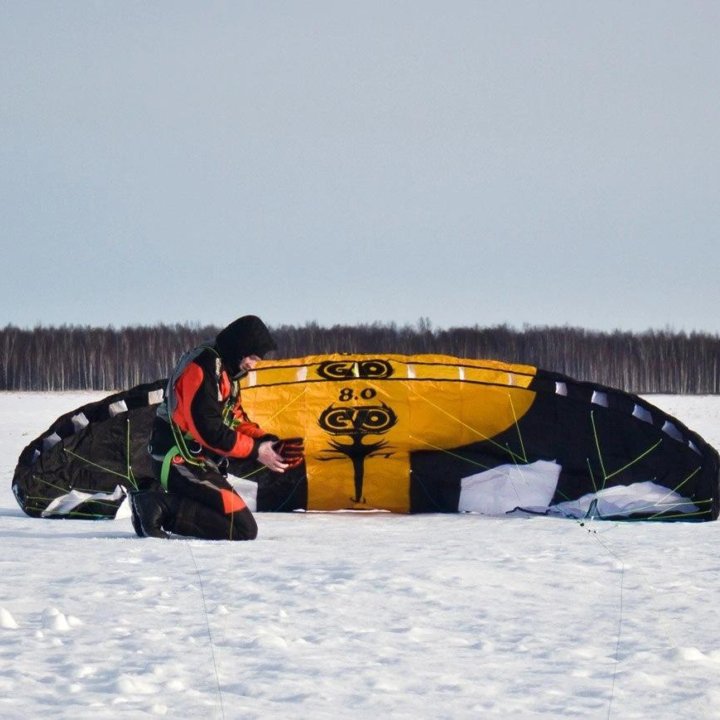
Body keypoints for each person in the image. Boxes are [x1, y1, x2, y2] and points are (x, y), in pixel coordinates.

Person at [130, 315, 303, 540]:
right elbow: (208, 430)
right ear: (239, 348)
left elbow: (237, 421)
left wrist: (268, 442)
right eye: (252, 357)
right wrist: (257, 451)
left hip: (197, 461)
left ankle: (158, 506)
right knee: (242, 529)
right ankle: (154, 506)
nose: (253, 365)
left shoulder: (227, 374)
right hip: (176, 459)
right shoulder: (201, 367)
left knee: (238, 524)